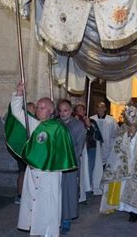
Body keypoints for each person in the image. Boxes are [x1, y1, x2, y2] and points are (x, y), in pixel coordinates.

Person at [7, 82, 77, 236]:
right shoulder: (34, 124)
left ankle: (49, 233)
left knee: (49, 205)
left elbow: (63, 152)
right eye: (38, 107)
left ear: (51, 110)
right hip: (32, 171)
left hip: (50, 174)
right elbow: (17, 112)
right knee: (33, 203)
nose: (38, 110)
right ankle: (36, 230)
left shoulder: (58, 128)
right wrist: (18, 93)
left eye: (42, 107)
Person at [100, 103, 137, 222]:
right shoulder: (122, 131)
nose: (131, 124)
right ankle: (122, 206)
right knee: (123, 185)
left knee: (136, 186)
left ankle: (134, 211)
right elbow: (116, 148)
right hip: (124, 164)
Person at [57, 99, 86, 234]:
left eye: (66, 110)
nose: (63, 113)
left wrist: (69, 160)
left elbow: (79, 146)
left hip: (70, 163)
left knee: (69, 191)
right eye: (61, 110)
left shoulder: (78, 125)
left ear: (71, 110)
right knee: (56, 192)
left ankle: (66, 219)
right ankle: (56, 217)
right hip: (56, 164)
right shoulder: (55, 124)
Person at [73, 103, 102, 199]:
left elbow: (97, 135)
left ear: (85, 111)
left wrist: (89, 126)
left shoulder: (91, 121)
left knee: (89, 169)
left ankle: (88, 188)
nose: (79, 112)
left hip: (90, 148)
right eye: (77, 110)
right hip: (79, 149)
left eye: (81, 110)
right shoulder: (74, 121)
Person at [90, 102, 119, 195]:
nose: (100, 109)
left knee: (107, 167)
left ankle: (105, 186)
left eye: (102, 107)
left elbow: (116, 133)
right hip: (96, 147)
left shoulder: (111, 120)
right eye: (98, 107)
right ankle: (95, 186)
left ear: (105, 109)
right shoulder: (92, 119)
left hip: (108, 146)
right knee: (95, 166)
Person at [14, 102, 36, 205]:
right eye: (30, 108)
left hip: (33, 151)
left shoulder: (34, 120)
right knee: (22, 172)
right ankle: (19, 195)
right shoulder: (22, 121)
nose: (33, 110)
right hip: (23, 151)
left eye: (33, 108)